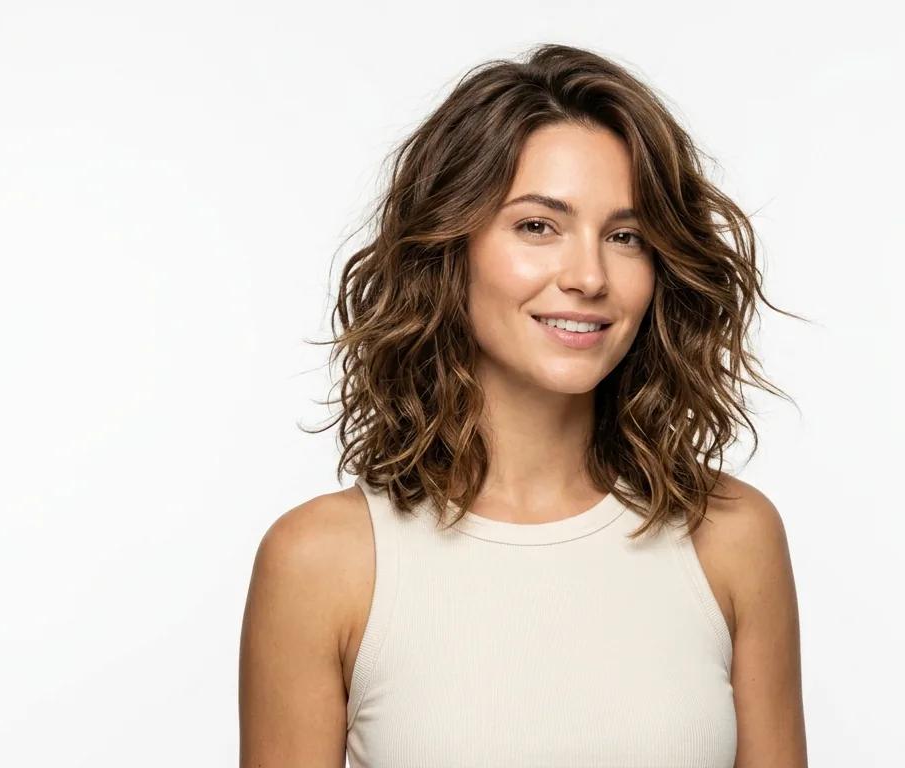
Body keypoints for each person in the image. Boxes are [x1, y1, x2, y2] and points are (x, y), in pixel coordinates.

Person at [238, 43, 808, 767]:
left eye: (626, 237)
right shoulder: (322, 562)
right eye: (538, 226)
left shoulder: (730, 537)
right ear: (451, 245)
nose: (588, 276)